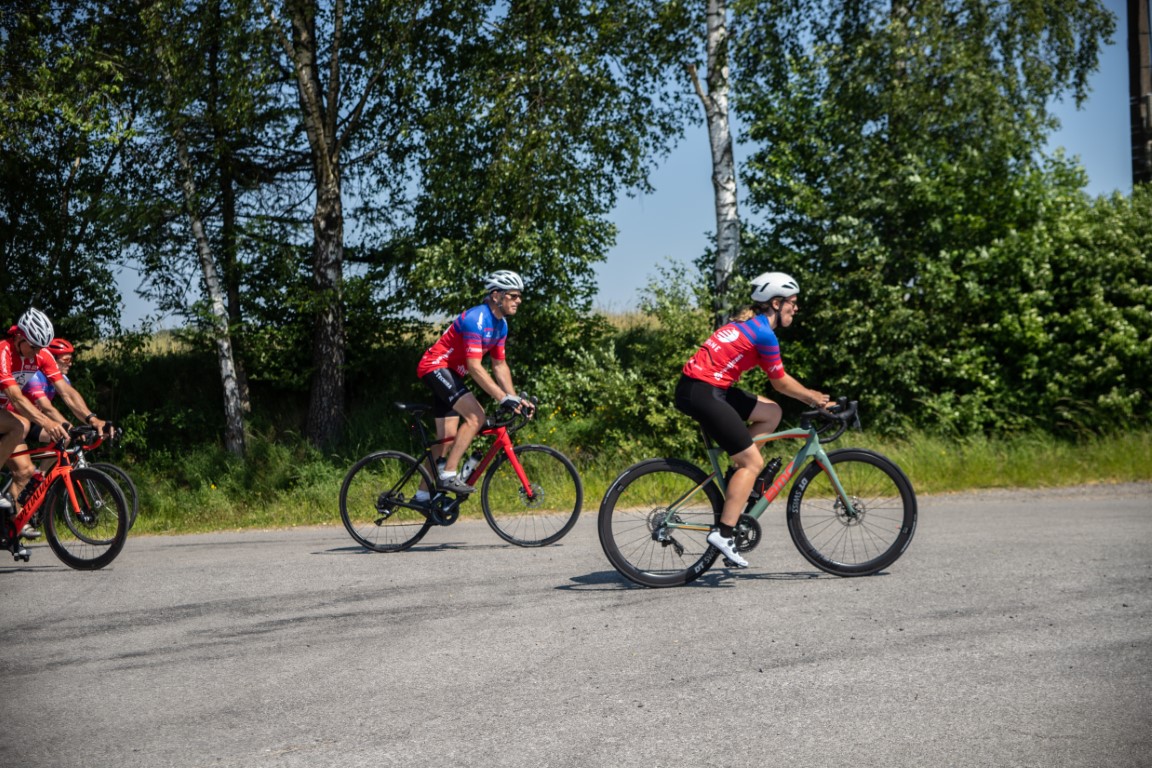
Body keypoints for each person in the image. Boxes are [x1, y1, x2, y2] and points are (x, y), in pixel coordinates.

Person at [674, 272, 829, 568]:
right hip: (704, 392)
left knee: (772, 413)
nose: (796, 308)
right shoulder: (764, 334)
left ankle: (739, 476)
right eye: (792, 302)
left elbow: (775, 383)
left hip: (704, 389)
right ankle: (724, 533)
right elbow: (780, 383)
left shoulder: (747, 326)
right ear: (776, 303)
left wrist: (810, 396)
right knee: (752, 463)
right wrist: (813, 398)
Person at [415, 270, 533, 496]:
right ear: (497, 296)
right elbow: (474, 367)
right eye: (513, 295)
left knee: (445, 440)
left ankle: (421, 496)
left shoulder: (501, 326)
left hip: (451, 374)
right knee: (476, 416)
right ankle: (449, 475)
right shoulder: (476, 319)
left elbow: (500, 366)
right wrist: (502, 397)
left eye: (520, 296)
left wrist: (515, 399)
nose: (519, 300)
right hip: (435, 366)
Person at [1, 310, 110, 536]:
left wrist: (92, 418)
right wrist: (47, 422)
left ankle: (9, 532)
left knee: (25, 471)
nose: (37, 354)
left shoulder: (41, 355)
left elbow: (66, 393)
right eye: (33, 347)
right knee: (20, 425)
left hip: (5, 416)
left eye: (41, 348)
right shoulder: (4, 351)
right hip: (9, 415)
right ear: (19, 338)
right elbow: (16, 398)